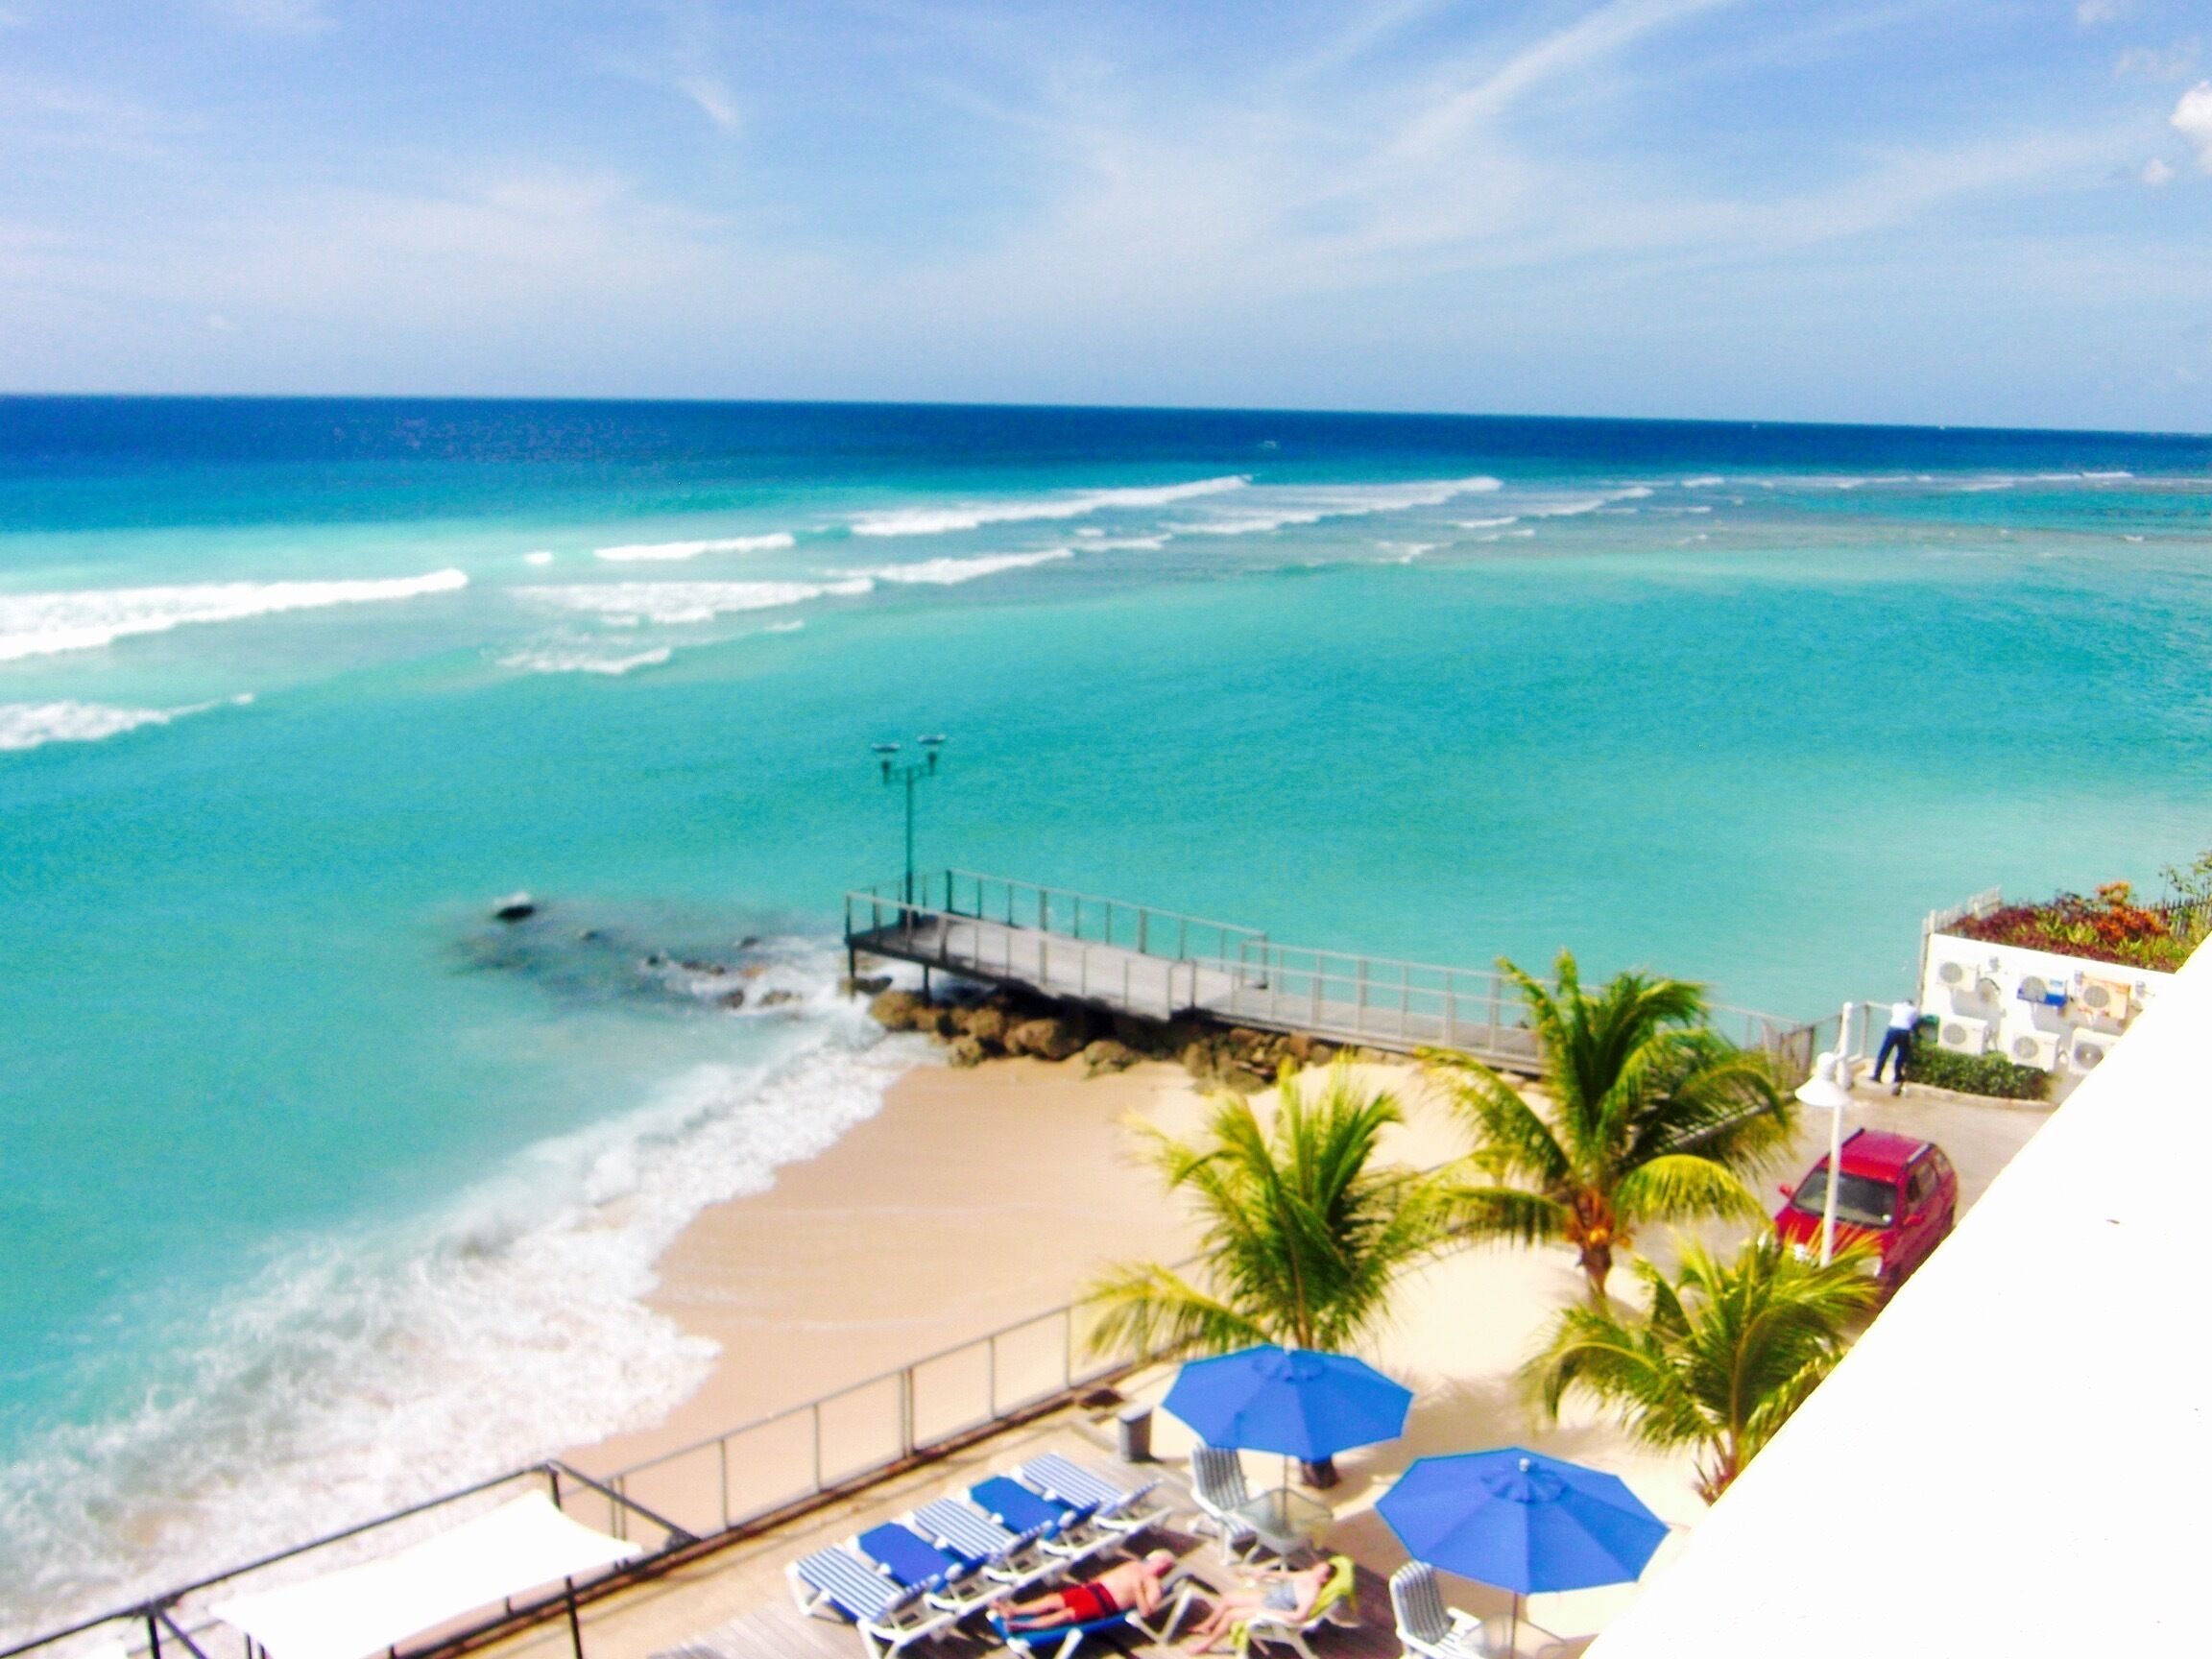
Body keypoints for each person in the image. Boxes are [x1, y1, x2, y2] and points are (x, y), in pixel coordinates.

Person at [1181, 1558, 1339, 1653]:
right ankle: (1207, 1625)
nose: (1315, 1569)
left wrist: (1268, 1611)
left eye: (1320, 1570)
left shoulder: (1311, 1593)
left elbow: (1299, 1616)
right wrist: (1267, 1574)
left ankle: (1205, 1645)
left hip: (1272, 1611)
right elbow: (1286, 1575)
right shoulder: (1307, 1575)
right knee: (1229, 1598)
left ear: (1324, 1579)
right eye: (1317, 1567)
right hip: (1268, 1599)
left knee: (1231, 1615)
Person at [1001, 1549, 1179, 1630]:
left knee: (1066, 1614)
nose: (1162, 1566)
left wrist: (1138, 1589)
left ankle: (1024, 1626)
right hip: (1093, 1589)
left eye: (1167, 1565)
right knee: (1052, 1599)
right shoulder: (1134, 1564)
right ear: (1153, 1558)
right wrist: (1092, 1582)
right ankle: (1014, 1610)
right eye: (1162, 1560)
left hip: (1104, 1603)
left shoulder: (1154, 1586)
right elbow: (1110, 1574)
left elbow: (1146, 1613)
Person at [1871, 998, 1919, 1094]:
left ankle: (1877, 1075)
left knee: (1884, 1053)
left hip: (1892, 1029)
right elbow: (1914, 1023)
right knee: (1901, 1054)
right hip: (1904, 1031)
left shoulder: (1896, 1006)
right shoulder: (1914, 1010)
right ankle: (1897, 1077)